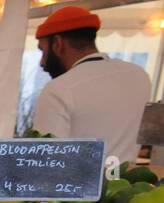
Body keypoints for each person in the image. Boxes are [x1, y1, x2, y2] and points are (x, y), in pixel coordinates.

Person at [31, 5, 152, 165]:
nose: (42, 62)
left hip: (76, 188)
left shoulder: (59, 89)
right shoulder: (139, 76)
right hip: (126, 186)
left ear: (58, 43)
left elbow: (45, 160)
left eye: (42, 50)